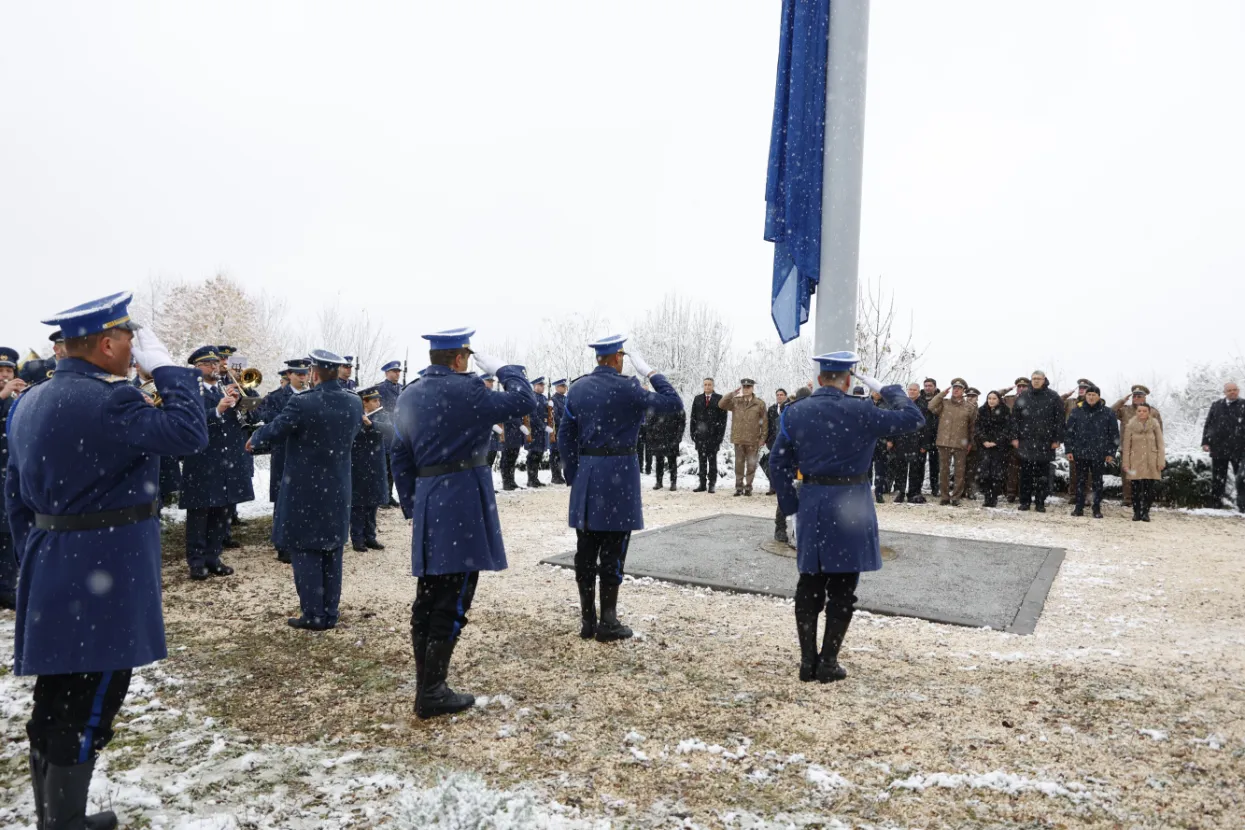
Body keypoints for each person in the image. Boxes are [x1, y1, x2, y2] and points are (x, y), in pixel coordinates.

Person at [6, 292, 207, 829]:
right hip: (103, 572)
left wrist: (39, 553)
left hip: (52, 564)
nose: (133, 350)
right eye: (130, 340)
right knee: (91, 702)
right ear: (107, 342)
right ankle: (65, 823)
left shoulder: (31, 400)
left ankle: (56, 818)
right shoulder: (111, 402)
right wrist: (168, 370)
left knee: (56, 699)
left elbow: (15, 496)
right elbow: (190, 434)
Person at [390, 328, 535, 718]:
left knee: (429, 594)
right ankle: (433, 691)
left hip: (429, 499)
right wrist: (506, 368)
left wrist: (413, 505)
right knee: (454, 595)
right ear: (458, 359)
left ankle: (427, 686)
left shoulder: (409, 394)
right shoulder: (468, 391)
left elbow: (399, 456)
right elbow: (525, 401)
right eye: (467, 358)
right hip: (463, 500)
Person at [770, 351, 924, 683]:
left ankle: (807, 662)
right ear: (848, 380)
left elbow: (777, 463)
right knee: (843, 588)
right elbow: (913, 418)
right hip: (851, 503)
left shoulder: (796, 412)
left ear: (820, 378)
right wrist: (888, 390)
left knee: (809, 583)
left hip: (812, 501)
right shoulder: (863, 411)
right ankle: (828, 662)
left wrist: (791, 506)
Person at [558, 334, 682, 642]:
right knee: (613, 549)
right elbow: (673, 404)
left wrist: (575, 473)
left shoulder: (577, 388)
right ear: (618, 358)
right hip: (619, 477)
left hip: (588, 473)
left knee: (585, 550)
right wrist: (651, 373)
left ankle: (588, 620)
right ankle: (608, 620)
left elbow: (564, 434)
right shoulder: (630, 388)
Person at [247, 350, 362, 631]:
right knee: (333, 549)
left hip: (305, 489)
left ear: (314, 373)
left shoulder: (304, 403)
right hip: (338, 486)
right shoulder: (354, 403)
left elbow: (276, 429)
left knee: (305, 549)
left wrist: (254, 438)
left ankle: (312, 614)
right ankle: (330, 612)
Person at [178, 346, 245, 580]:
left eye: (216, 363)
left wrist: (236, 404)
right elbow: (187, 421)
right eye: (209, 363)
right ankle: (197, 562)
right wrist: (217, 410)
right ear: (197, 368)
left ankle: (213, 557)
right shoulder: (189, 391)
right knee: (200, 513)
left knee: (221, 511)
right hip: (201, 461)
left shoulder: (220, 389)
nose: (215, 367)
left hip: (222, 462)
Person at [1011, 370, 1065, 512]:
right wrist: (1014, 437)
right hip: (1026, 442)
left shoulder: (1053, 397)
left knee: (1043, 476)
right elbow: (1015, 418)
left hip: (1045, 443)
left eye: (1038, 379)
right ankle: (1025, 502)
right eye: (1034, 378)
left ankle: (1040, 503)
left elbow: (1059, 420)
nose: (1036, 381)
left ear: (1044, 380)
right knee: (1025, 475)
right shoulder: (1023, 396)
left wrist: (1057, 439)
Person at [0, 347, 29, 610]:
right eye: (0, 371)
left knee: (8, 535)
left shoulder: (15, 399)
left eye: (9, 370)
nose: (5, 375)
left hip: (9, 480)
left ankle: (7, 589)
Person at [349, 386, 394, 551]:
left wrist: (371, 424)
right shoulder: (355, 416)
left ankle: (370, 537)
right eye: (374, 400)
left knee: (373, 502)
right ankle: (357, 538)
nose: (378, 403)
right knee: (358, 503)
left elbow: (390, 430)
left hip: (375, 464)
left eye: (378, 400)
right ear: (364, 402)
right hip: (358, 465)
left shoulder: (381, 416)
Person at [1064, 384, 1119, 518]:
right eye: (1089, 395)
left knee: (1097, 482)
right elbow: (1069, 432)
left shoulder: (1107, 412)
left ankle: (1096, 508)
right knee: (1080, 480)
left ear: (1099, 396)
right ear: (1085, 396)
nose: (1091, 397)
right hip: (1080, 452)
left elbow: (1114, 435)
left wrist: (1111, 453)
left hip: (1099, 454)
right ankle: (1079, 507)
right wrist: (1069, 450)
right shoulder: (1077, 411)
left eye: (1094, 395)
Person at [928, 378, 978, 506]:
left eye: (959, 388)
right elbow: (931, 406)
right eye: (954, 388)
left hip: (960, 444)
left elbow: (972, 427)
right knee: (943, 471)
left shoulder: (969, 407)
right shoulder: (944, 403)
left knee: (959, 473)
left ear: (963, 391)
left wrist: (970, 443)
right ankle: (944, 497)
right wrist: (942, 394)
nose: (956, 390)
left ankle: (956, 497)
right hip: (943, 442)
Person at [1111, 385, 1163, 507]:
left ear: (1144, 398)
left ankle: (1143, 501)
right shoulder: (1124, 410)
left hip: (1146, 450)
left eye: (1139, 396)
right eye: (1134, 396)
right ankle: (1128, 499)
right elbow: (1109, 412)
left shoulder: (1153, 412)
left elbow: (1159, 432)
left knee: (1145, 477)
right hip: (1128, 449)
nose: (1136, 398)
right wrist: (1122, 401)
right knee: (1128, 476)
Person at [1202, 382, 1245, 512]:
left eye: (1235, 390)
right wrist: (1205, 441)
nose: (1232, 392)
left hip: (1240, 448)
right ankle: (1216, 504)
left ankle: (1242, 506)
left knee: (1241, 478)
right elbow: (1209, 424)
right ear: (1224, 392)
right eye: (1229, 390)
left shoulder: (1244, 405)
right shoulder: (1216, 405)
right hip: (1219, 447)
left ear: (1238, 391)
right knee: (1218, 477)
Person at [720, 379, 767, 496]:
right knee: (739, 464)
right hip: (739, 438)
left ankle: (748, 487)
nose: (746, 389)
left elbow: (765, 422)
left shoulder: (759, 403)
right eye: (744, 387)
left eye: (748, 387)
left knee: (751, 465)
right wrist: (732, 394)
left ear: (752, 388)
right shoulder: (736, 401)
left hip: (753, 439)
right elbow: (721, 404)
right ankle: (739, 487)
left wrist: (763, 438)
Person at [1123, 403, 1166, 521]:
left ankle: (1146, 512)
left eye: (1144, 411)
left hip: (1151, 460)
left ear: (1149, 412)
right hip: (1134, 461)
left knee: (1149, 488)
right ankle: (1136, 512)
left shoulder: (1155, 425)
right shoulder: (1130, 425)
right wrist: (1126, 463)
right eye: (1139, 411)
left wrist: (1161, 461)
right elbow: (1126, 446)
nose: (1141, 413)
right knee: (1135, 488)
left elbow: (1161, 444)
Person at [889, 383, 928, 504]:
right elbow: (894, 422)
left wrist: (924, 444)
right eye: (910, 389)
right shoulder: (901, 404)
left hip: (917, 441)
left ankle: (914, 492)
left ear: (918, 391)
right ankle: (900, 491)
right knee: (900, 467)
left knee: (916, 469)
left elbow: (928, 427)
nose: (911, 392)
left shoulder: (923, 405)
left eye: (914, 390)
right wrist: (891, 439)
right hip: (901, 440)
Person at [975, 391, 1013, 507]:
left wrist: (996, 442)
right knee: (985, 473)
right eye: (989, 398)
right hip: (985, 447)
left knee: (996, 474)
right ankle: (987, 497)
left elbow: (1007, 430)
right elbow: (978, 428)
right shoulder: (982, 411)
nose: (991, 401)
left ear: (999, 400)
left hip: (999, 448)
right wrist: (984, 440)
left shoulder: (1005, 411)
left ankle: (994, 497)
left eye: (994, 398)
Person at [690, 378, 727, 493]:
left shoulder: (719, 399)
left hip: (713, 437)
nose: (707, 387)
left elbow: (723, 420)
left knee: (712, 461)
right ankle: (702, 484)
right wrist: (693, 434)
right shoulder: (698, 399)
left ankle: (712, 484)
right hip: (700, 437)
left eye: (709, 385)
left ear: (713, 385)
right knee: (701, 461)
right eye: (705, 385)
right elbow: (693, 418)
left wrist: (719, 437)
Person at [378, 359, 404, 507]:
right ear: (387, 373)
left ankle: (389, 495)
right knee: (385, 465)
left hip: (398, 430)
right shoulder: (381, 388)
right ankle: (384, 496)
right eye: (394, 371)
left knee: (394, 466)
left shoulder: (401, 388)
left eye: (398, 371)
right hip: (386, 430)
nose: (397, 374)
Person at [1000, 377, 1030, 502]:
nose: (1021, 389)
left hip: (1028, 439)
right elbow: (995, 396)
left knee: (1027, 469)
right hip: (1011, 439)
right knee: (1012, 468)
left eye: (1024, 386)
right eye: (1019, 386)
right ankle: (1011, 493)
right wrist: (1007, 389)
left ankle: (1023, 494)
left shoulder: (1033, 399)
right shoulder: (1009, 399)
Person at [648, 397, 687, 491]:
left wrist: (678, 437)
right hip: (659, 438)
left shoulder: (677, 406)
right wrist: (652, 435)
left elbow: (682, 423)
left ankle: (673, 482)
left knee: (672, 461)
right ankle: (659, 482)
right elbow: (650, 422)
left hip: (672, 438)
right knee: (659, 461)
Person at [525, 377, 551, 488]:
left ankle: (535, 478)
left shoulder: (544, 398)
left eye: (543, 385)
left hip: (541, 434)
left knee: (538, 455)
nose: (542, 387)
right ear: (535, 385)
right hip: (534, 432)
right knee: (532, 456)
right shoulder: (532, 398)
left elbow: (549, 415)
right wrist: (543, 427)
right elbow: (533, 416)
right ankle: (531, 480)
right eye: (540, 385)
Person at [763, 389, 789, 494]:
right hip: (773, 441)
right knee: (772, 464)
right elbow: (768, 425)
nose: (779, 397)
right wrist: (766, 439)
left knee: (784, 464)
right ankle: (772, 486)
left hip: (785, 440)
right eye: (777, 395)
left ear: (785, 396)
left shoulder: (789, 407)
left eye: (781, 395)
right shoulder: (771, 409)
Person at [920, 378, 941, 497]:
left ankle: (935, 489)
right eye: (926, 385)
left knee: (935, 465)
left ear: (935, 386)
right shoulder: (920, 399)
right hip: (922, 435)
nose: (928, 388)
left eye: (930, 386)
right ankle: (918, 487)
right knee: (919, 463)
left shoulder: (940, 399)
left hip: (936, 436)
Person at [963, 388, 981, 499]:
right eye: (968, 395)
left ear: (977, 397)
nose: (970, 397)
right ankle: (960, 490)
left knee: (972, 470)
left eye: (973, 396)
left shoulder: (980, 410)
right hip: (962, 442)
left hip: (975, 444)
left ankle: (970, 490)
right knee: (960, 468)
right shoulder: (962, 408)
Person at [549, 379, 569, 484]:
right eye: (562, 386)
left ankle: (559, 475)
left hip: (566, 431)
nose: (564, 388)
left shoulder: (566, 399)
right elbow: (555, 416)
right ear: (557, 387)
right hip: (557, 430)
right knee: (555, 453)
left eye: (565, 386)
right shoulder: (553, 400)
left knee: (562, 453)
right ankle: (555, 476)